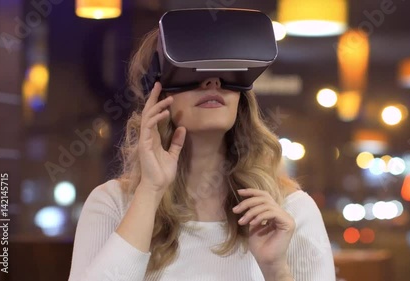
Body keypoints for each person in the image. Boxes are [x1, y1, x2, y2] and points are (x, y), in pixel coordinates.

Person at [68, 29, 335, 281]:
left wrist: (275, 271)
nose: (213, 81)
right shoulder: (113, 204)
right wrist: (150, 191)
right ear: (156, 90)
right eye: (191, 70)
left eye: (226, 71)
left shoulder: (289, 213)